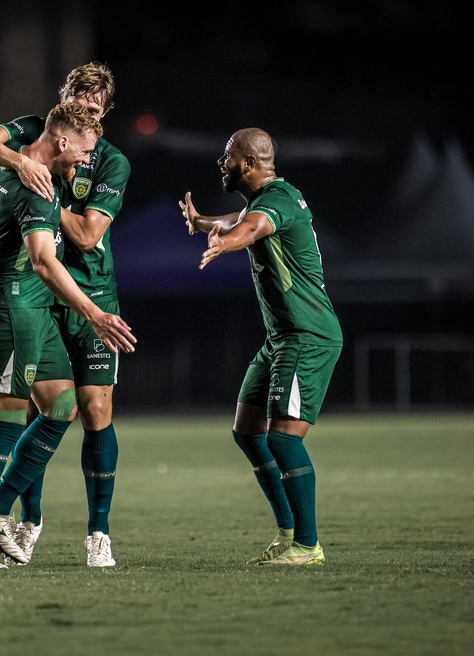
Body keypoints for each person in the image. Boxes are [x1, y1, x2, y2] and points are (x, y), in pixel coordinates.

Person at [0, 102, 136, 569]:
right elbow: (44, 263)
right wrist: (94, 313)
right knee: (5, 423)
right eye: (84, 151)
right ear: (62, 141)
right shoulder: (38, 187)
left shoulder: (7, 159)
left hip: (31, 307)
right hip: (12, 305)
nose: (87, 161)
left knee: (63, 404)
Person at [178, 127, 341, 566]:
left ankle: (308, 545)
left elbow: (250, 229)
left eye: (228, 156)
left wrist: (224, 243)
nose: (222, 162)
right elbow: (240, 219)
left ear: (248, 163)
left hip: (306, 335)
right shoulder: (268, 199)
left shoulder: (278, 202)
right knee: (248, 432)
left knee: (284, 440)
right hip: (281, 338)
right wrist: (203, 223)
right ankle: (288, 532)